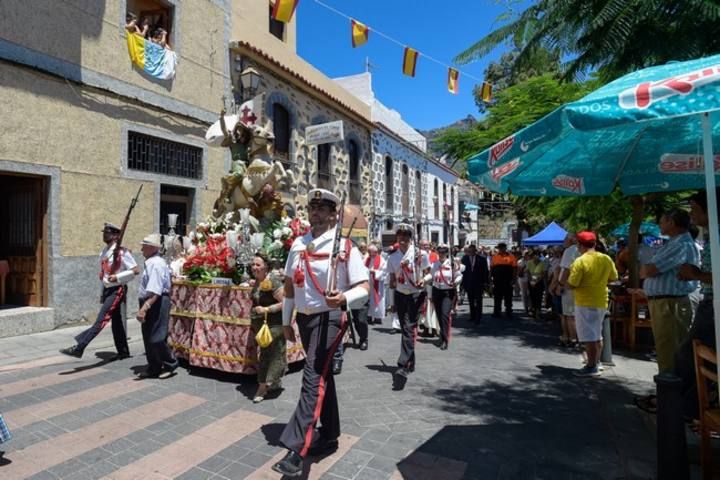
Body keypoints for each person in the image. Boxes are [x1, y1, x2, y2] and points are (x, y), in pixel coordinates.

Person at [272, 189, 369, 478]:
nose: (316, 212)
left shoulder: (345, 247)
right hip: (304, 319)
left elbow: (364, 288)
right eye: (312, 207)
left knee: (312, 376)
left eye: (322, 208)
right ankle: (330, 434)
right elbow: (290, 286)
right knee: (323, 375)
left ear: (333, 214)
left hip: (330, 319)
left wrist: (343, 299)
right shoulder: (298, 244)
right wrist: (286, 319)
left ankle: (295, 449)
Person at [60, 223, 139, 359]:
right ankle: (123, 352)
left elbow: (135, 270)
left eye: (107, 233)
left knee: (101, 320)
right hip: (108, 290)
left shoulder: (121, 251)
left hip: (117, 289)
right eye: (104, 232)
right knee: (117, 323)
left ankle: (80, 347)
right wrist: (102, 292)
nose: (104, 235)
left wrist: (118, 277)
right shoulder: (104, 251)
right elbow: (104, 276)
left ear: (115, 236)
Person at [675, 188, 719, 420]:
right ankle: (693, 408)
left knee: (689, 355)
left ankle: (688, 410)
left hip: (713, 306)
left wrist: (696, 275)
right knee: (696, 355)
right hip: (708, 302)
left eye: (694, 209)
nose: (691, 215)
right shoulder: (711, 235)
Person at [640, 209, 699, 374]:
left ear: (671, 223)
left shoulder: (681, 244)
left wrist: (646, 270)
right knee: (665, 347)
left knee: (669, 348)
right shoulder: (675, 242)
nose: (659, 225)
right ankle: (667, 390)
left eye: (662, 221)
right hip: (666, 302)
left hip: (670, 303)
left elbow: (649, 270)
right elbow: (645, 270)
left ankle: (670, 393)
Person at [567, 231, 618, 377]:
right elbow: (613, 277)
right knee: (597, 334)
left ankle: (591, 366)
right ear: (594, 243)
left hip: (585, 302)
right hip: (601, 300)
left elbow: (572, 283)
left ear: (579, 245)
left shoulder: (580, 261)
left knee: (589, 337)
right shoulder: (606, 259)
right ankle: (597, 363)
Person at [386, 224, 430, 386]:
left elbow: (429, 273)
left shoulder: (420, 254)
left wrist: (423, 280)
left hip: (416, 295)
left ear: (411, 238)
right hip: (400, 295)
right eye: (400, 235)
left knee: (408, 327)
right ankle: (411, 362)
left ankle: (403, 364)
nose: (403, 238)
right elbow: (392, 281)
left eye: (406, 236)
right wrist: (391, 303)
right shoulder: (392, 257)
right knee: (406, 328)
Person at [136, 234, 178, 379]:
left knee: (157, 337)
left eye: (144, 246)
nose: (141, 249)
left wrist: (145, 307)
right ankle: (153, 367)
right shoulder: (151, 263)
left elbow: (155, 290)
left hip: (156, 301)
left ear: (152, 248)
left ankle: (170, 363)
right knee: (148, 337)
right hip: (150, 301)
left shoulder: (156, 264)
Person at [249, 252, 286, 403]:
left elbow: (285, 303)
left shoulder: (274, 281)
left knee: (269, 355)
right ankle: (274, 382)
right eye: (253, 264)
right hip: (261, 325)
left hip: (274, 324)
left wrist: (267, 309)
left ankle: (262, 387)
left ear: (266, 267)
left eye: (258, 265)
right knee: (270, 353)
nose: (254, 267)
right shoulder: (258, 281)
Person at [431, 245, 463, 350]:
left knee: (445, 314)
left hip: (447, 292)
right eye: (439, 252)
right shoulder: (434, 264)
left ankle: (445, 340)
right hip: (436, 291)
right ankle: (442, 332)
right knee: (439, 315)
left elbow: (459, 275)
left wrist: (456, 282)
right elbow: (431, 276)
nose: (441, 254)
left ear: (446, 253)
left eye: (443, 252)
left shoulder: (452, 264)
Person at [556, 234, 580, 347]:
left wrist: (560, 284)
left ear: (571, 240)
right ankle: (572, 337)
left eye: (565, 239)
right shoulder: (583, 251)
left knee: (569, 314)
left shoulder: (569, 251)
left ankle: (572, 338)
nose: (563, 241)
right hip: (580, 287)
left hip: (569, 286)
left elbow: (565, 270)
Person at [462, 244, 489, 322]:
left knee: (478, 300)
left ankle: (478, 317)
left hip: (479, 283)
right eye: (470, 251)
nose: (471, 252)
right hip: (468, 283)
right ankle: (472, 316)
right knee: (471, 300)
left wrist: (486, 282)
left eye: (473, 251)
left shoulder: (482, 259)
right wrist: (463, 283)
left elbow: (485, 271)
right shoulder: (465, 258)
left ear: (475, 251)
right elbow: (462, 271)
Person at [418, 239, 439, 336]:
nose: (425, 246)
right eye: (423, 245)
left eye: (427, 245)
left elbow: (435, 269)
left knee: (431, 306)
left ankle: (433, 328)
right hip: (420, 284)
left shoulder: (434, 255)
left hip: (431, 283)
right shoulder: (417, 254)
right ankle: (425, 327)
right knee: (422, 305)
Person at [490, 243, 516, 318]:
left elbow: (514, 268)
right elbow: (491, 268)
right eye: (499, 248)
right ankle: (497, 312)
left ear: (505, 248)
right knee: (497, 296)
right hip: (497, 280)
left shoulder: (511, 256)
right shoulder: (495, 257)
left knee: (508, 296)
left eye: (502, 248)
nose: (500, 249)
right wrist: (490, 279)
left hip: (508, 280)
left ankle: (508, 312)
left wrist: (513, 279)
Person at [365, 243, 387, 325]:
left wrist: (375, 272)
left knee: (379, 299)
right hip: (369, 282)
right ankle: (369, 316)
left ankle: (378, 317)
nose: (370, 254)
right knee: (369, 299)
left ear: (375, 251)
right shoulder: (367, 259)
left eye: (371, 252)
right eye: (369, 252)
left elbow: (384, 272)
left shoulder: (381, 260)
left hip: (378, 283)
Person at [525, 250, 546, 318]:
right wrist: (531, 281)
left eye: (537, 255)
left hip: (539, 281)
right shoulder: (529, 262)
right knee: (532, 296)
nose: (536, 256)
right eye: (535, 255)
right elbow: (528, 272)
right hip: (531, 281)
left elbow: (543, 273)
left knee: (539, 297)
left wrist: (536, 281)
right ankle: (533, 310)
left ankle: (538, 312)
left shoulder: (542, 263)